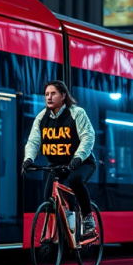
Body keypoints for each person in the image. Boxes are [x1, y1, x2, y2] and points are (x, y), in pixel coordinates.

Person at [22, 80, 97, 236]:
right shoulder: (42, 117)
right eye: (46, 94)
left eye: (53, 93)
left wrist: (78, 157)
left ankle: (88, 218)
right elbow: (34, 141)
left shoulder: (77, 113)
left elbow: (88, 137)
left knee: (75, 180)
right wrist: (28, 159)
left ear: (63, 96)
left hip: (82, 162)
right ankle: (61, 231)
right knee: (49, 197)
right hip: (57, 164)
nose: (49, 97)